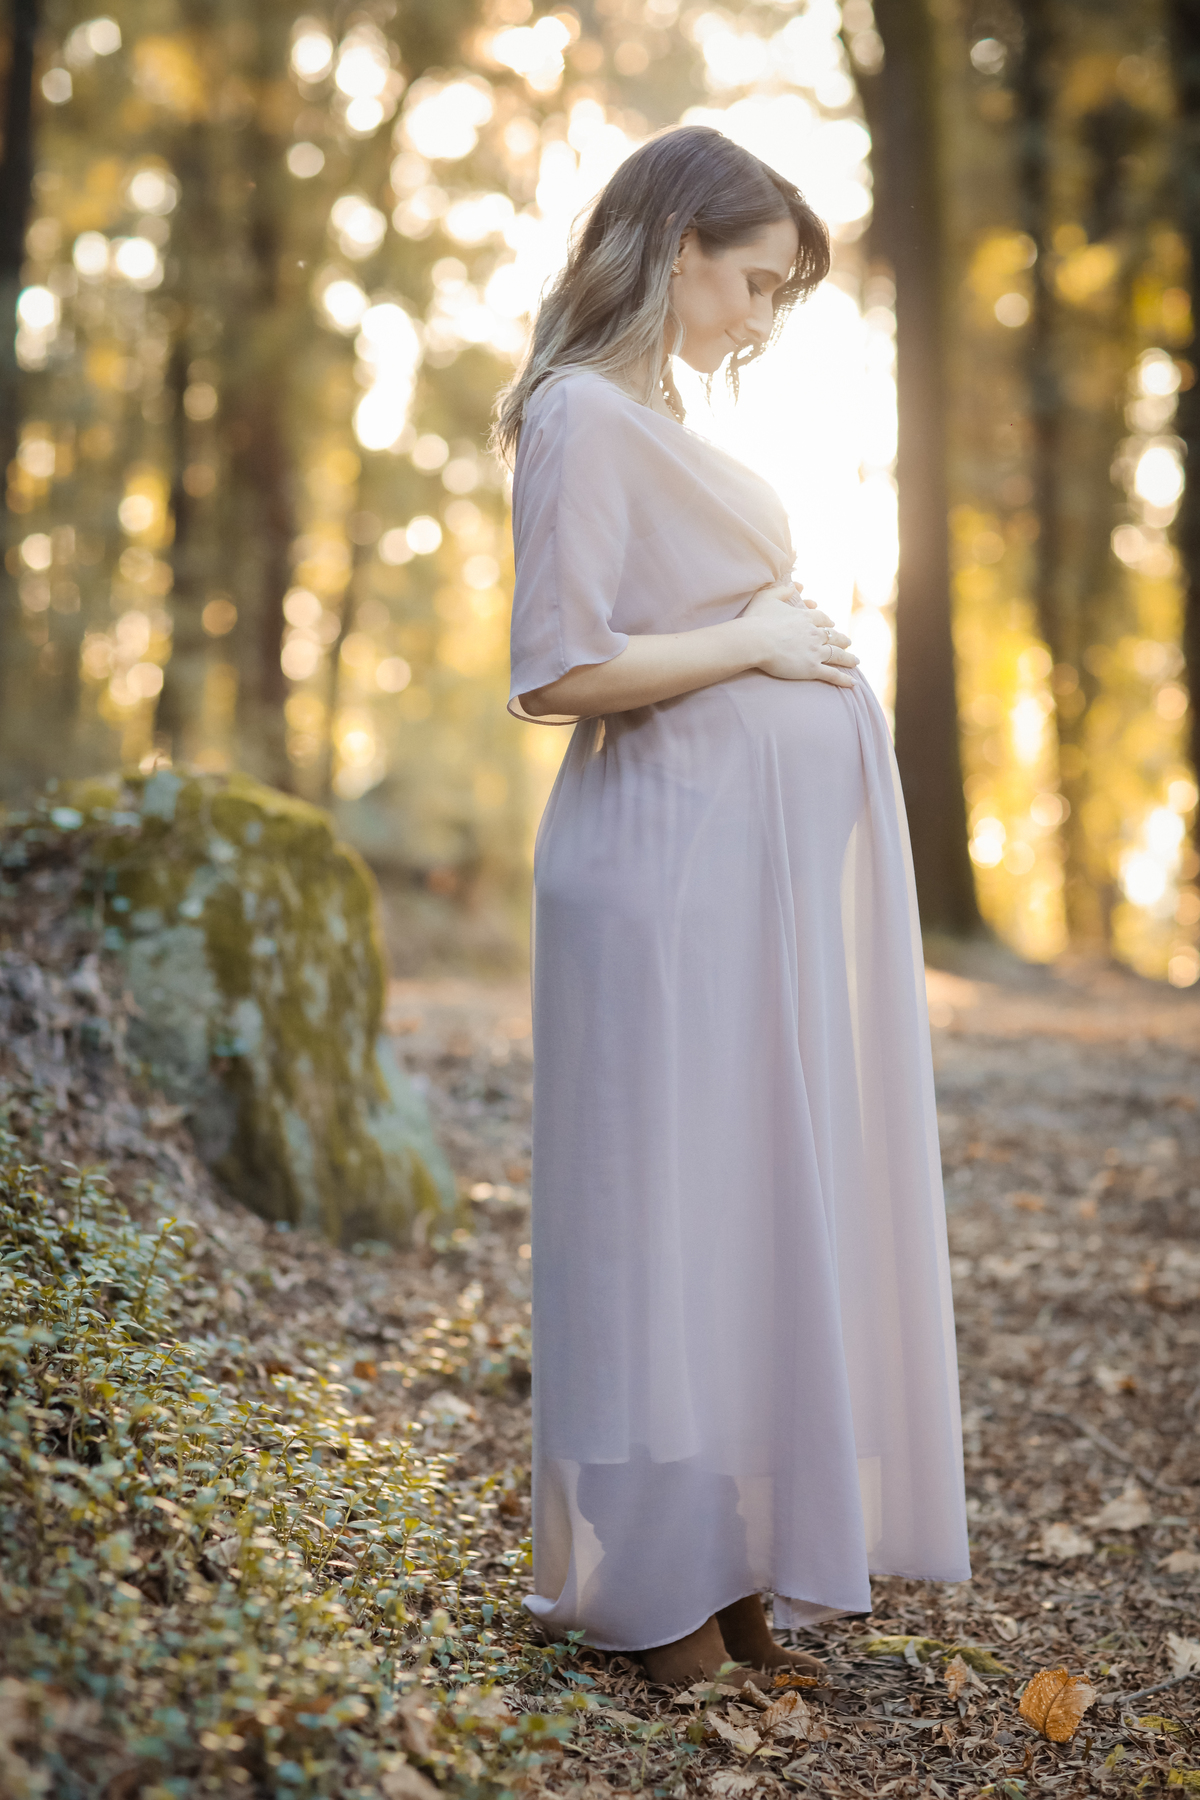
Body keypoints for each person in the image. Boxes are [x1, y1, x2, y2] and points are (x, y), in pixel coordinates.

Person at [494, 125, 970, 1688]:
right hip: (657, 874)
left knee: (747, 1207)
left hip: (730, 876)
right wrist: (755, 647)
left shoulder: (649, 411)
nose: (762, 318)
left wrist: (764, 648)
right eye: (756, 282)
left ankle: (739, 1561)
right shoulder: (576, 412)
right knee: (664, 1221)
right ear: (677, 244)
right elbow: (557, 671)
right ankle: (656, 1598)